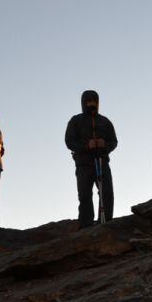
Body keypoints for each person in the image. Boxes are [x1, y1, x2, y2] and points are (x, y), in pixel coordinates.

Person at [65, 90, 118, 226]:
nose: (92, 104)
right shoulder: (76, 121)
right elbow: (69, 141)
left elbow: (114, 141)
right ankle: (86, 225)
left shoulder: (105, 121)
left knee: (106, 193)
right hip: (83, 163)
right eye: (88, 101)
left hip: (102, 161)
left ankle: (106, 223)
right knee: (84, 195)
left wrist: (104, 144)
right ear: (83, 102)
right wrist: (86, 145)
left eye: (94, 101)